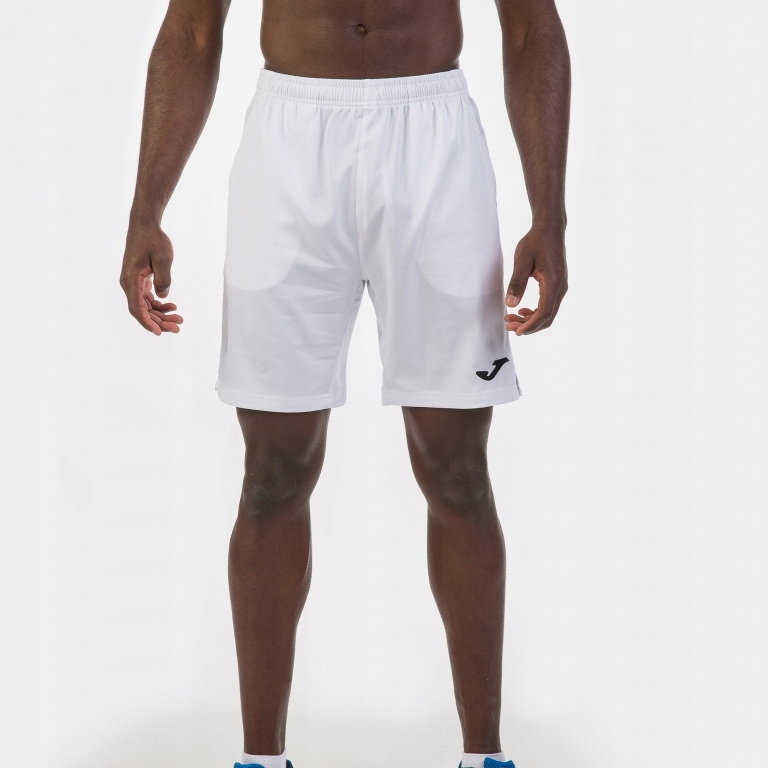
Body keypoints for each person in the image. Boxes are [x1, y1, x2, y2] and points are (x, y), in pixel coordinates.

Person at [119, 0, 570, 765]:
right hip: (289, 145)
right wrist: (146, 209)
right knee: (273, 471)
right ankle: (261, 758)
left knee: (457, 468)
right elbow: (192, 31)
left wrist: (549, 215)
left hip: (434, 142)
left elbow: (531, 27)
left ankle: (484, 755)